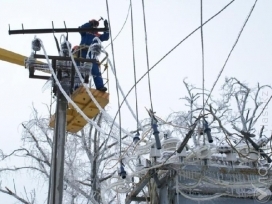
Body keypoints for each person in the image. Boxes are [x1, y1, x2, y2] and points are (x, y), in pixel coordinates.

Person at [78, 19, 109, 92]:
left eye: (96, 25)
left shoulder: (97, 35)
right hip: (83, 51)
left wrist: (106, 28)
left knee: (95, 70)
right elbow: (81, 29)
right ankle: (78, 85)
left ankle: (100, 87)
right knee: (80, 69)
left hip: (92, 54)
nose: (94, 26)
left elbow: (106, 36)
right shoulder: (85, 32)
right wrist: (89, 24)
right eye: (94, 24)